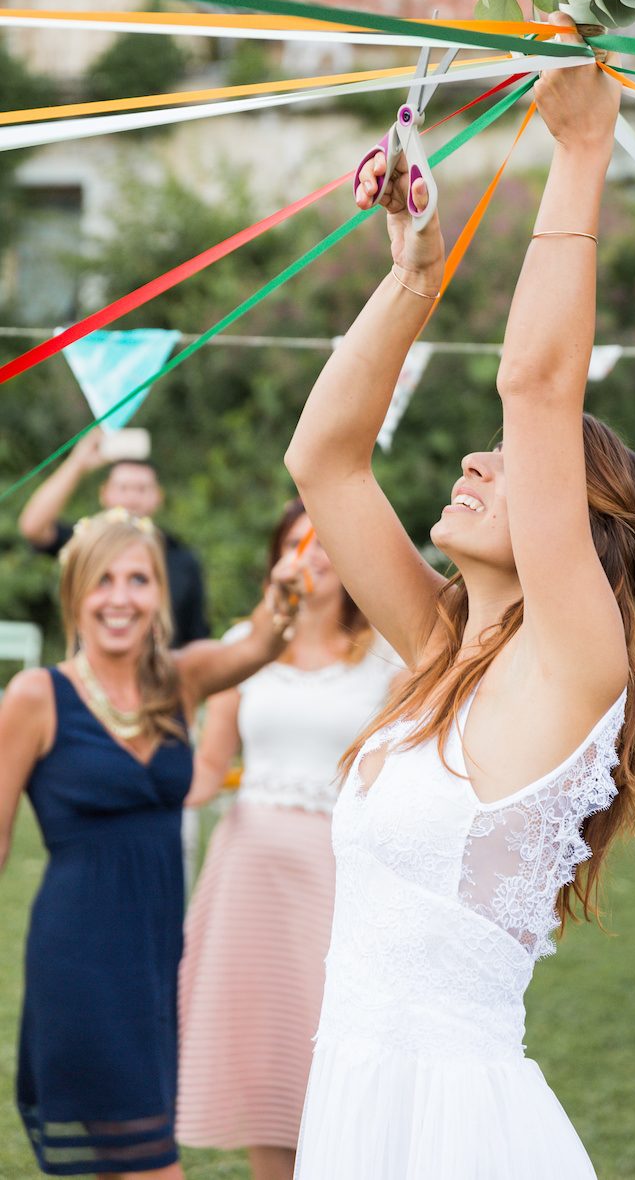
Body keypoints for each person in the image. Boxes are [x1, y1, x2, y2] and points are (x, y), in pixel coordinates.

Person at [283, 21, 635, 1179]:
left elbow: (536, 384)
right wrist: (411, 275)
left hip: (454, 1128)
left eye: (513, 465)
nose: (474, 462)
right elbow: (327, 464)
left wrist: (582, 151)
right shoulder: (445, 651)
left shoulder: (572, 669)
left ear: (579, 524)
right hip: (355, 1092)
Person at [0, 508, 295, 1178]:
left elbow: (258, 648)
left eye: (138, 580)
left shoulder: (180, 680)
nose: (121, 598)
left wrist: (286, 594)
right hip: (78, 960)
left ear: (160, 593)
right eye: (103, 581)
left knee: (120, 1161)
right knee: (151, 1164)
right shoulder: (35, 696)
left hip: (156, 958)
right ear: (74, 591)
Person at [175, 499, 397, 1180]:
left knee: (333, 1047)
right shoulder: (246, 643)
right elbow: (210, 766)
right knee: (264, 1050)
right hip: (247, 875)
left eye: (329, 541)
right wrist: (136, 791)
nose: (315, 554)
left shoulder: (387, 656)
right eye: (299, 541)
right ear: (278, 558)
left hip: (339, 876)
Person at [18, 428, 209, 646]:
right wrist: (77, 463)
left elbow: (197, 637)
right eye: (123, 487)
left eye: (142, 488)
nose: (131, 497)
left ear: (158, 496)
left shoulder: (182, 558)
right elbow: (33, 527)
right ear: (104, 493)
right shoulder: (85, 542)